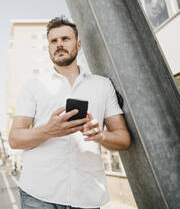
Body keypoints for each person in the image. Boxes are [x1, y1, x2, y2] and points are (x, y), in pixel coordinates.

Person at [8, 17, 131, 209]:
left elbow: (123, 139)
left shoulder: (102, 85)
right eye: (53, 41)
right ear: (48, 48)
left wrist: (100, 135)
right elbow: (15, 138)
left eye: (65, 39)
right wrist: (49, 130)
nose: (59, 45)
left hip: (86, 195)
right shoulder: (34, 86)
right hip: (38, 194)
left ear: (78, 44)